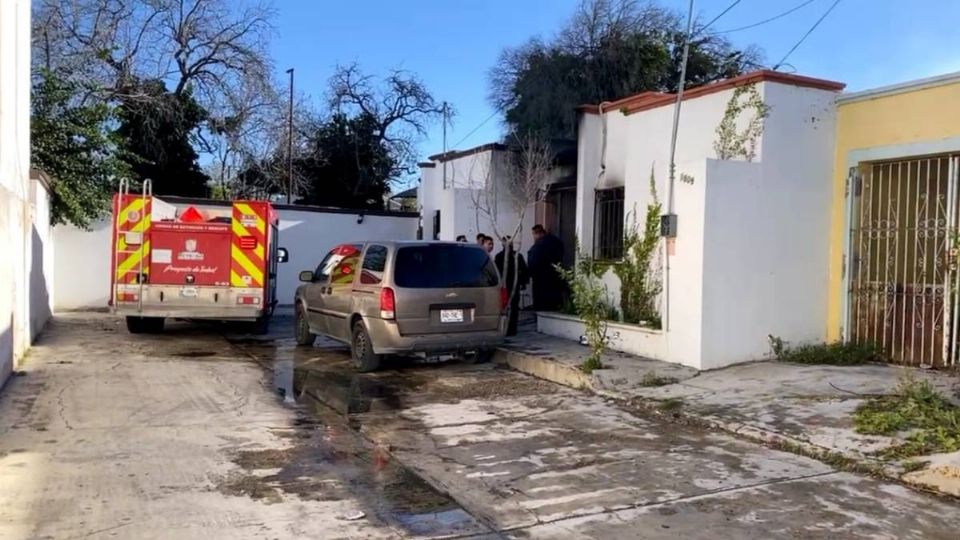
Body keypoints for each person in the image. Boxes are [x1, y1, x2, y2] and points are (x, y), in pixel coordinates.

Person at [495, 237, 529, 336]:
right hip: (506, 287)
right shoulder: (500, 257)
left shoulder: (516, 256)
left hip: (512, 286)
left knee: (512, 308)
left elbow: (524, 271)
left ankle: (510, 329)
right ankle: (507, 329)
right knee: (507, 308)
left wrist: (522, 282)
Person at [527, 224, 565, 311]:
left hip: (541, 282)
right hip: (556, 280)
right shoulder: (557, 242)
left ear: (537, 233)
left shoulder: (537, 247)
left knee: (542, 309)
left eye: (534, 235)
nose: (534, 237)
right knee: (556, 307)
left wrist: (530, 275)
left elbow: (533, 264)